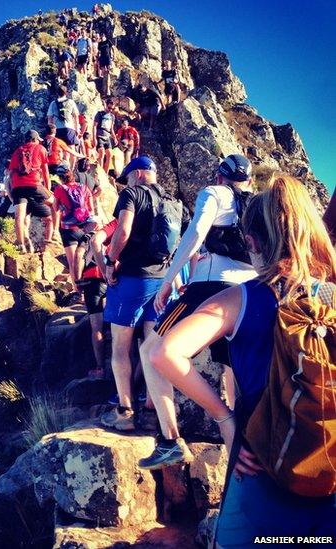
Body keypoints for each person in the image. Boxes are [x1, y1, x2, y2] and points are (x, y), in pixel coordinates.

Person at [142, 174, 336, 543]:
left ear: (251, 242)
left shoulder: (239, 299)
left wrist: (226, 418)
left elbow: (162, 351)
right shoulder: (331, 294)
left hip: (259, 461)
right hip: (328, 463)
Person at [137, 154, 257, 468]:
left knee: (152, 349)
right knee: (233, 375)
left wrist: (168, 279)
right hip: (247, 293)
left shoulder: (215, 193)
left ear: (220, 176)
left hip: (208, 290)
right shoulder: (256, 205)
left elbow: (196, 234)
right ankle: (240, 468)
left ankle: (170, 439)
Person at [99, 156, 182, 431]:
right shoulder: (170, 200)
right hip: (162, 281)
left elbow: (122, 231)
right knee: (151, 345)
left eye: (128, 176)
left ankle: (124, 412)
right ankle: (150, 409)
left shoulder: (131, 194)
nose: (127, 181)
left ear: (137, 174)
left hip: (133, 279)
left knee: (120, 346)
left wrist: (111, 262)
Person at [74, 219, 118, 379]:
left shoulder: (89, 237)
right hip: (112, 280)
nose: (83, 228)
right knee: (115, 324)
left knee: (96, 327)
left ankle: (100, 368)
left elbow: (79, 255)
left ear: (94, 225)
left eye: (85, 225)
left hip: (93, 281)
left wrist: (77, 280)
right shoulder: (112, 237)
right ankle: (117, 362)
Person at [8, 130, 53, 253]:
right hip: (34, 185)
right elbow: (45, 172)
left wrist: (13, 191)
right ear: (35, 139)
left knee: (19, 216)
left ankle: (21, 245)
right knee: (55, 203)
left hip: (18, 187)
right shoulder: (41, 148)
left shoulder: (17, 151)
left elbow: (11, 174)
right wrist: (47, 190)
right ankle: (53, 235)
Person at [53, 164, 97, 289]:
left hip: (68, 229)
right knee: (85, 259)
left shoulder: (60, 189)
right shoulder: (83, 187)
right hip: (84, 229)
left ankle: (78, 290)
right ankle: (89, 288)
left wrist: (63, 206)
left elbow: (55, 208)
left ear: (60, 177)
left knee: (73, 263)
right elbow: (91, 209)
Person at [47, 85, 80, 158]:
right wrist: (77, 129)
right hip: (69, 128)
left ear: (57, 93)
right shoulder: (71, 102)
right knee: (71, 150)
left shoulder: (53, 103)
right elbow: (76, 117)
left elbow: (49, 119)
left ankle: (63, 167)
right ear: (66, 93)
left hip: (57, 129)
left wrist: (51, 131)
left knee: (60, 150)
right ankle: (70, 168)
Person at [93, 98, 117, 173]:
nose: (110, 110)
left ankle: (105, 174)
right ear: (105, 105)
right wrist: (94, 138)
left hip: (107, 137)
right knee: (101, 153)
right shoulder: (100, 114)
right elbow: (94, 126)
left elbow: (111, 128)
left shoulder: (112, 116)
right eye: (109, 108)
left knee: (109, 154)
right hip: (100, 136)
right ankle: (100, 173)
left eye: (112, 109)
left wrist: (115, 138)